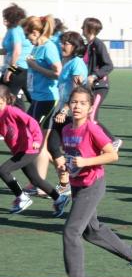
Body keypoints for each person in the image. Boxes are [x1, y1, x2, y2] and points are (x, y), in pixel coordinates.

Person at [54, 86, 132, 277]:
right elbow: (74, 157)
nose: (77, 106)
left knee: (71, 231)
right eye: (74, 102)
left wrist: (87, 161)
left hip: (92, 185)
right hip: (78, 184)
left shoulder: (92, 129)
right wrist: (67, 167)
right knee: (91, 230)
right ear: (68, 105)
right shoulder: (68, 129)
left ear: (89, 108)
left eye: (82, 103)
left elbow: (112, 155)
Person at [0, 85, 68, 216]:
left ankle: (22, 198)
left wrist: (37, 139)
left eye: (0, 103)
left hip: (29, 148)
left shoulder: (11, 111)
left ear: (6, 100)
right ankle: (59, 199)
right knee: (36, 180)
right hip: (19, 151)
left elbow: (32, 122)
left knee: (3, 170)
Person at [23, 15, 62, 193]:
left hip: (48, 98)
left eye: (28, 34)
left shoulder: (49, 47)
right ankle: (64, 173)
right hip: (37, 97)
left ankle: (40, 184)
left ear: (36, 32)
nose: (26, 38)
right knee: (35, 140)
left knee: (38, 141)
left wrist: (35, 66)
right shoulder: (36, 46)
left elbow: (57, 72)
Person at [47, 31, 89, 197]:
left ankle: (72, 183)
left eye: (66, 43)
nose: (62, 46)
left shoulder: (77, 63)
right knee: (53, 145)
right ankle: (65, 183)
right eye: (62, 42)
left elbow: (76, 91)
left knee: (69, 149)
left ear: (75, 46)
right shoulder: (67, 61)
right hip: (62, 110)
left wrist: (64, 110)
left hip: (71, 113)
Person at [80, 17, 120, 150]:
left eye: (84, 26)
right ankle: (94, 142)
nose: (81, 28)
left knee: (91, 117)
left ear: (90, 29)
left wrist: (95, 76)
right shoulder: (87, 46)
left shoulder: (98, 44)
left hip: (100, 87)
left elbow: (109, 65)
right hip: (90, 88)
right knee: (87, 116)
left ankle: (113, 140)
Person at [1, 3, 33, 110]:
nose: (4, 20)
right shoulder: (15, 30)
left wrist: (10, 70)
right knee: (24, 97)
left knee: (7, 95)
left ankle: (18, 118)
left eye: (6, 17)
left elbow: (17, 51)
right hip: (23, 69)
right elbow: (8, 50)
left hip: (17, 69)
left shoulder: (15, 30)